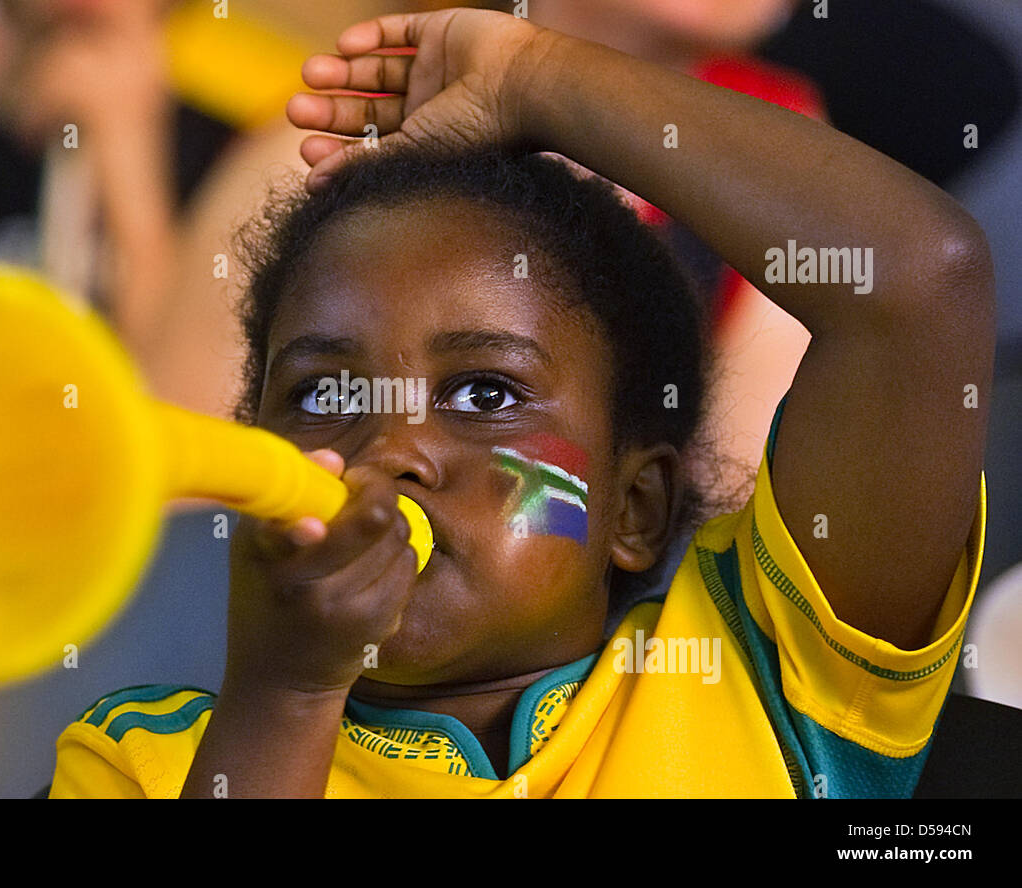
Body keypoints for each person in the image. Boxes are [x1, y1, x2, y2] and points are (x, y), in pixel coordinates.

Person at [48, 8, 991, 798]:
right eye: (326, 391)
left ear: (636, 508)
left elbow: (919, 284)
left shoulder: (768, 666)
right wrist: (285, 697)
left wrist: (532, 77)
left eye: (484, 391)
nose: (393, 447)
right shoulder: (139, 760)